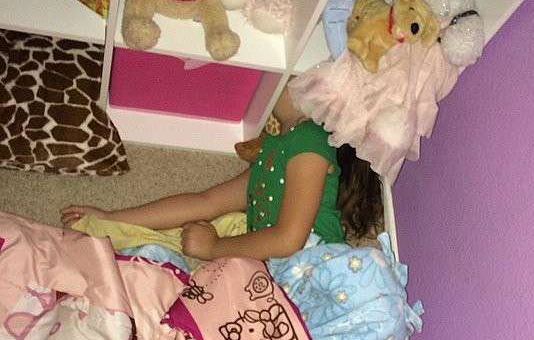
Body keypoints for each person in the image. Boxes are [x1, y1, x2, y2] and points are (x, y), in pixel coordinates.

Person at [61, 85, 382, 261]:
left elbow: (289, 240)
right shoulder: (276, 150)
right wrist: (113, 218)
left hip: (314, 271)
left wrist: (214, 248)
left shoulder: (310, 137)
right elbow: (206, 202)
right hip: (279, 277)